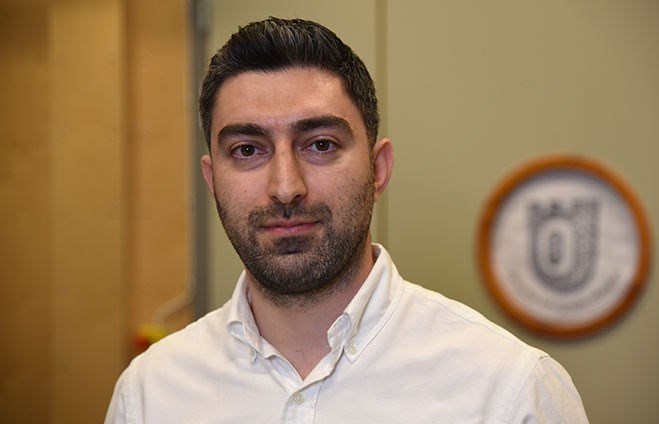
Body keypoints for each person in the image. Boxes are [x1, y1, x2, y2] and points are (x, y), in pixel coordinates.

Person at [105, 17, 588, 423]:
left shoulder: (510, 391)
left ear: (378, 169)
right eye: (247, 150)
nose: (286, 187)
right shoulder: (150, 394)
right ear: (212, 180)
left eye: (320, 144)